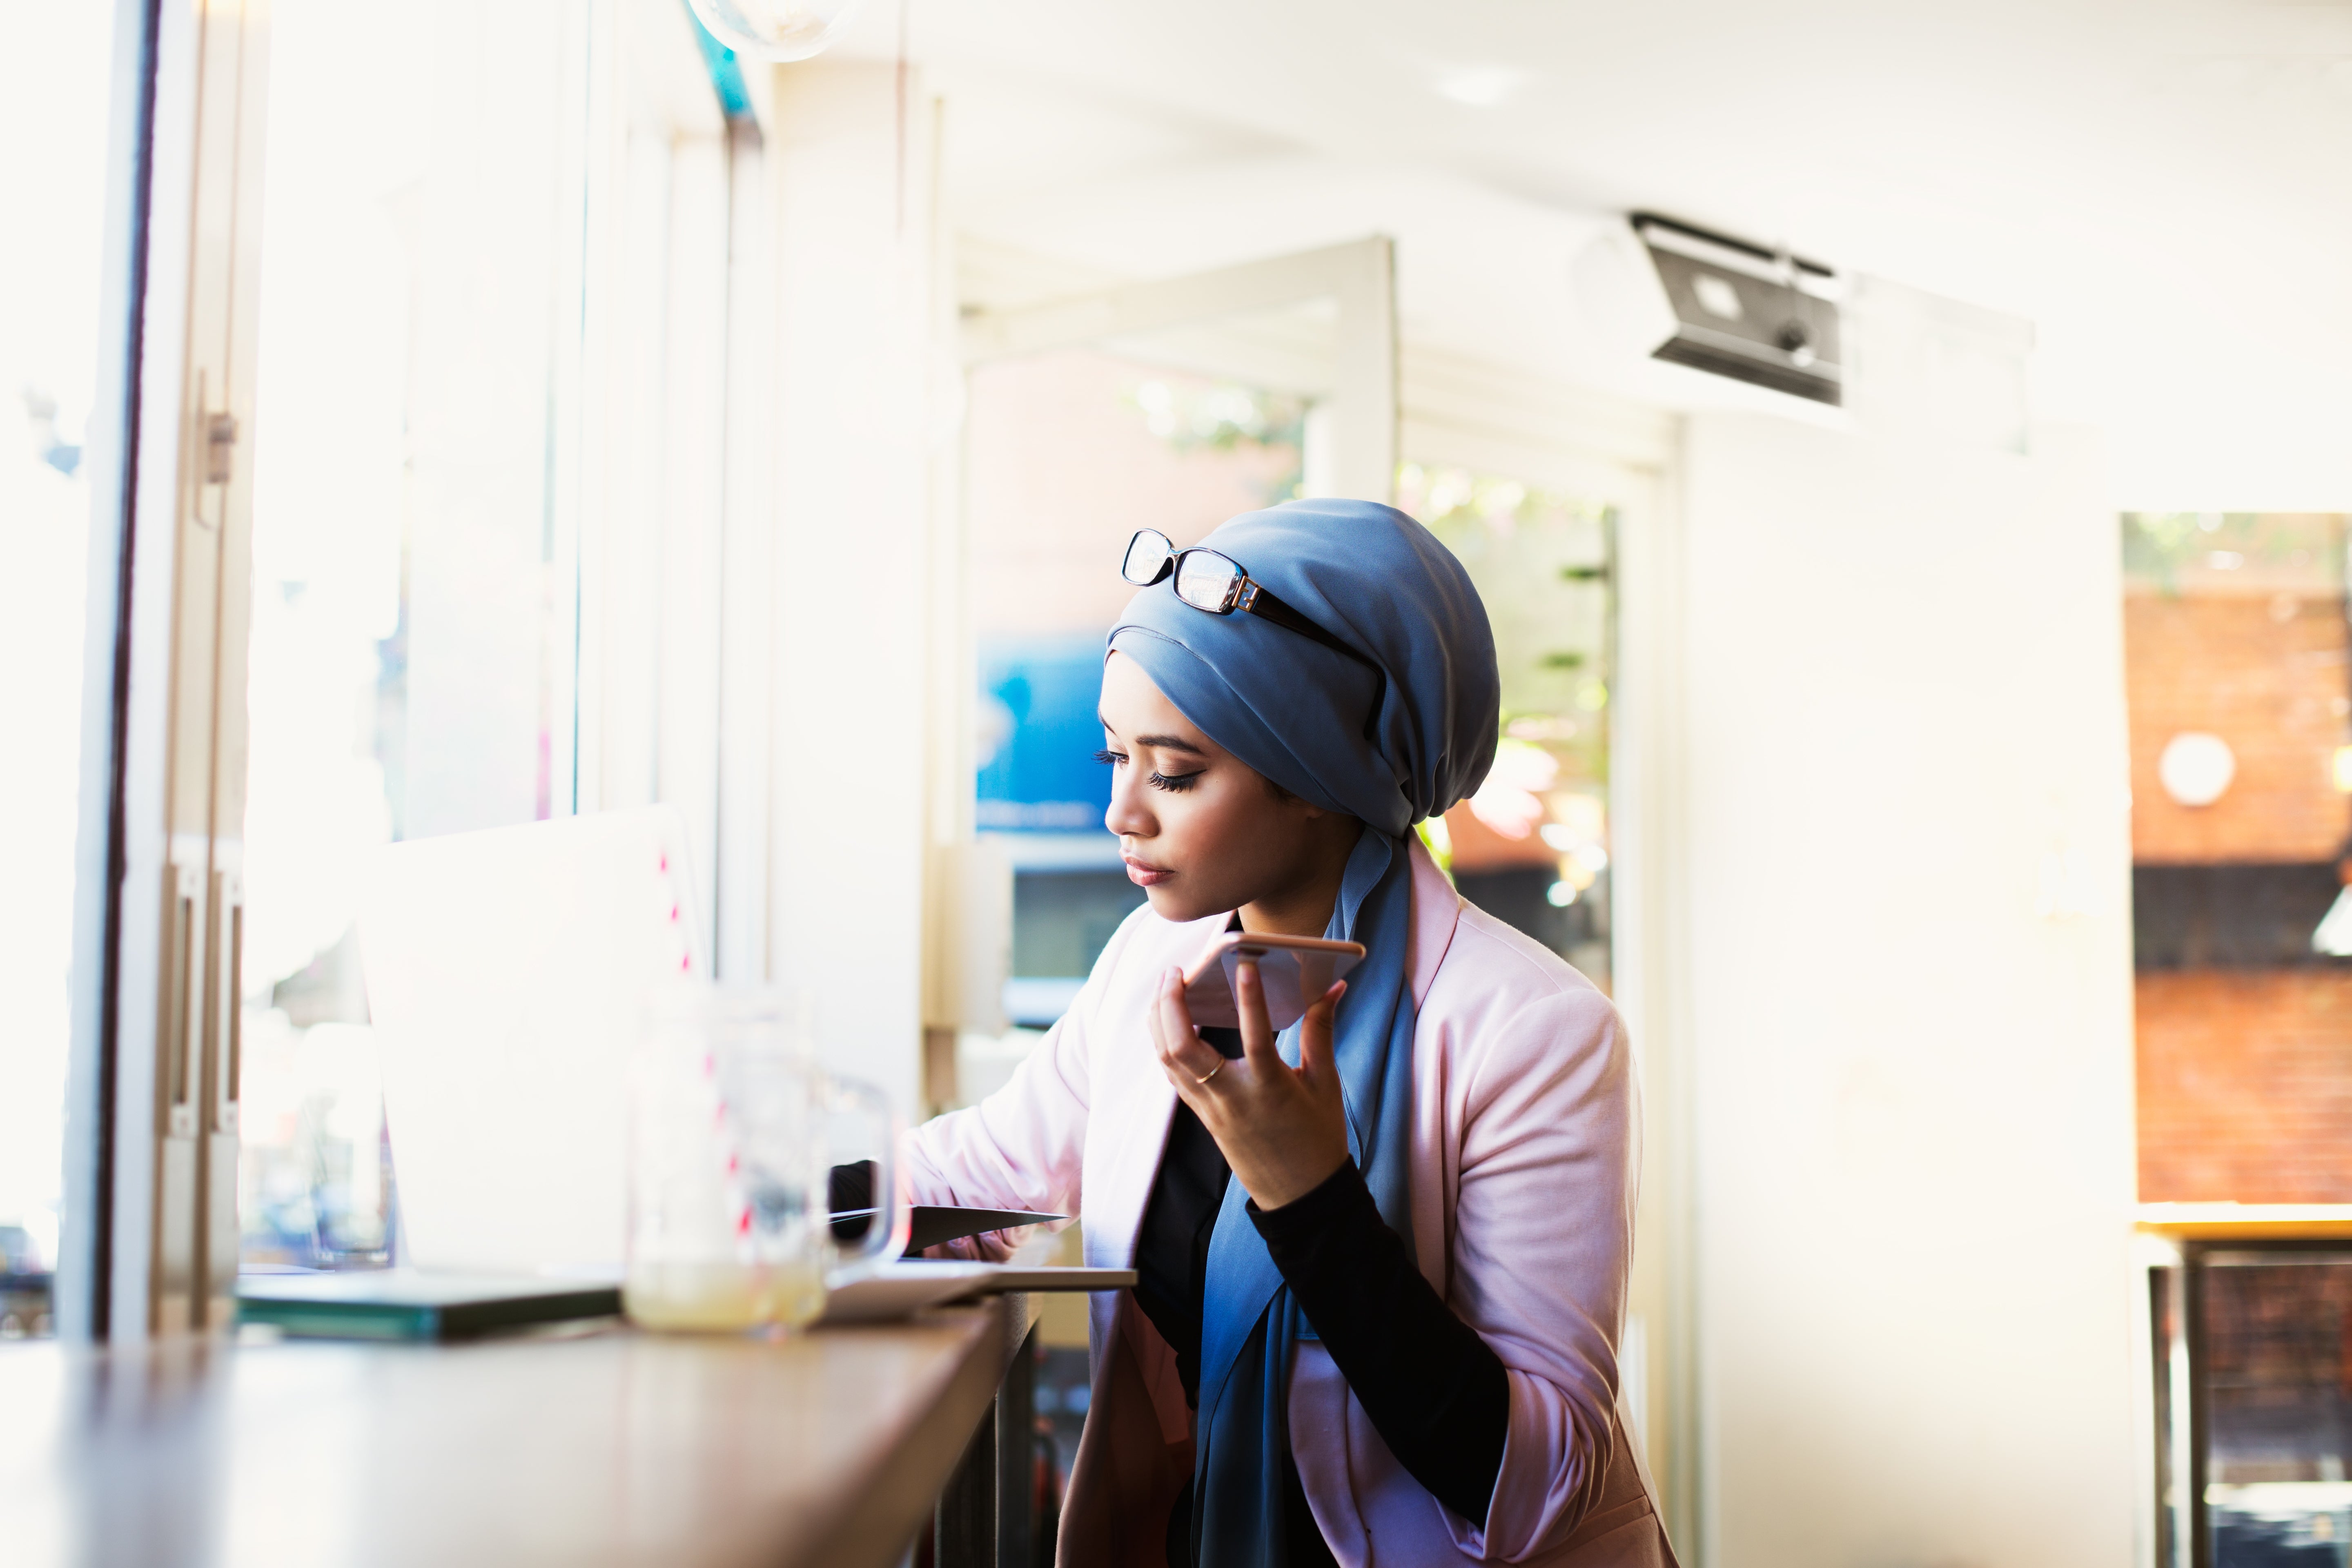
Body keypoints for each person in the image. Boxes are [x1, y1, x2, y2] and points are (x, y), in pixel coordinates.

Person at [906, 498, 1674, 1567]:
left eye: (1174, 772)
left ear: (1319, 773)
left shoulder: (1538, 1034)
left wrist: (1310, 1199)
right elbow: (981, 1172)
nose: (1123, 812)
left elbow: (1539, 1485)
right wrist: (755, 1194)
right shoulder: (1149, 962)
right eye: (1113, 757)